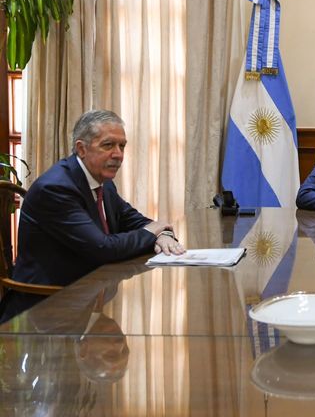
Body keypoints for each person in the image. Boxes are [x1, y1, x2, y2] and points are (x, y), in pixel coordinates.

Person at [1, 110, 184, 322]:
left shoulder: (103, 183)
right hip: (47, 308)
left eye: (122, 146)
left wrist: (163, 235)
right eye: (108, 145)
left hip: (89, 295)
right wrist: (153, 232)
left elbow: (135, 221)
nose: (118, 155)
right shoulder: (56, 188)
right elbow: (102, 248)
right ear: (81, 149)